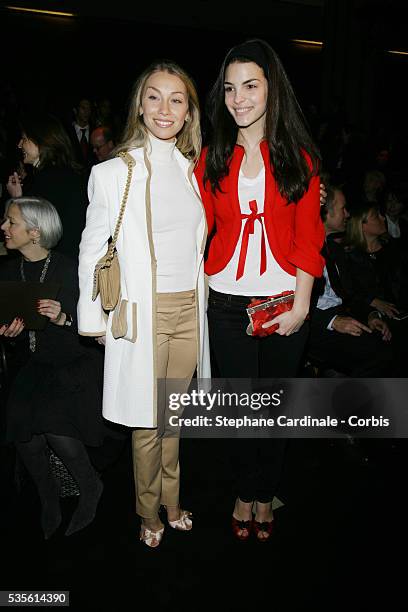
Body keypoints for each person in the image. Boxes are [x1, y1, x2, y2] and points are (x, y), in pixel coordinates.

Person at [195, 39, 325, 542]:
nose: (238, 98)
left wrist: (303, 303)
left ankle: (264, 492)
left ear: (272, 89)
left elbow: (312, 235)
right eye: (230, 88)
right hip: (225, 297)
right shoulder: (213, 155)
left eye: (250, 86)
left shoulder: (299, 156)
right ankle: (245, 489)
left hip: (283, 301)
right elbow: (197, 226)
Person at [77, 60, 210, 547]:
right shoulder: (114, 172)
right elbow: (93, 246)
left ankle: (173, 502)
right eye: (154, 96)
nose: (165, 108)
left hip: (190, 312)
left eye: (177, 99)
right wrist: (92, 319)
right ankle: (148, 511)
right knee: (146, 422)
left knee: (173, 416)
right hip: (144, 313)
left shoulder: (193, 170)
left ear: (189, 111)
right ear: (139, 103)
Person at [0, 197, 107, 539]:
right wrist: (11, 334)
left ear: (34, 232)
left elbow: (92, 328)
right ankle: (48, 496)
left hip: (75, 360)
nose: (4, 228)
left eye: (10, 222)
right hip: (34, 363)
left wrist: (62, 317)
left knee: (54, 424)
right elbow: (13, 337)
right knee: (21, 428)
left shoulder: (69, 268)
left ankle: (90, 487)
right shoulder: (7, 272)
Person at [309, 186, 393, 376]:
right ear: (326, 213)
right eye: (343, 209)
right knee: (377, 353)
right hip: (315, 323)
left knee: (388, 340)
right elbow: (292, 301)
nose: (347, 214)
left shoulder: (335, 250)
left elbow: (348, 293)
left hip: (342, 315)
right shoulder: (302, 249)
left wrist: (371, 314)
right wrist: (332, 321)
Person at [6, 112, 88, 259]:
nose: (19, 145)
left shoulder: (49, 178)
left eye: (24, 139)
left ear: (41, 140)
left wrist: (17, 199)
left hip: (58, 266)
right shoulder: (64, 172)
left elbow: (36, 230)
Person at [345, 204, 408, 375]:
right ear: (362, 225)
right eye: (376, 216)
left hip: (401, 313)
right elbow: (348, 294)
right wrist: (372, 303)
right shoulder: (349, 257)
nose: (382, 218)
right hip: (368, 316)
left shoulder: (395, 249)